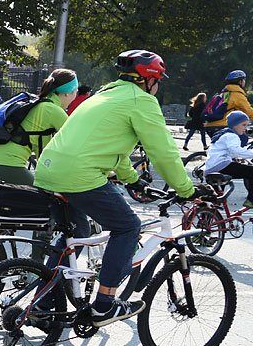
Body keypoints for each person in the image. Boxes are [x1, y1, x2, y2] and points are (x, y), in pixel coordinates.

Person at [35, 50, 209, 327]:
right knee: (128, 227)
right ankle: (104, 305)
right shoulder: (142, 101)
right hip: (80, 176)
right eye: (158, 80)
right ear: (149, 80)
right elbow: (163, 154)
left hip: (47, 170)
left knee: (76, 233)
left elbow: (114, 147)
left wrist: (132, 179)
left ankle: (41, 303)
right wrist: (187, 190)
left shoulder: (103, 96)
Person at [0, 69, 78, 185]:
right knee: (46, 195)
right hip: (6, 167)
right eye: (75, 92)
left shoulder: (35, 104)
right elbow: (75, 142)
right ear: (67, 93)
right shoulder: (53, 110)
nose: (75, 96)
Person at [205, 110, 253, 207]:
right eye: (244, 125)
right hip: (222, 166)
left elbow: (226, 151)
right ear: (235, 125)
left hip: (211, 168)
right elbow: (236, 150)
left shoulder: (222, 134)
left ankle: (208, 216)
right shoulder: (232, 136)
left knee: (215, 200)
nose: (245, 128)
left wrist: (235, 158)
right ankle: (251, 200)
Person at [205, 70, 253, 136]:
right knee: (243, 139)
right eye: (244, 80)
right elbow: (249, 112)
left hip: (210, 126)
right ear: (240, 81)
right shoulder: (237, 94)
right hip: (223, 126)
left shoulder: (223, 93)